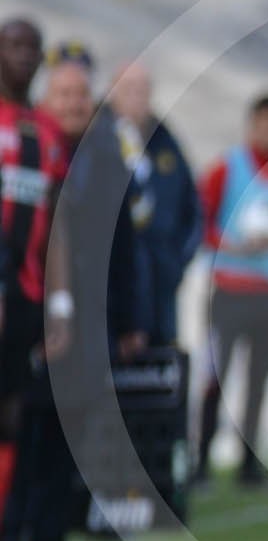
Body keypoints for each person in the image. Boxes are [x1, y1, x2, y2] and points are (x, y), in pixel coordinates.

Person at [0, 46, 148, 541]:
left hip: (92, 319)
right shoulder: (29, 148)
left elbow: (128, 248)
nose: (72, 103)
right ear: (46, 99)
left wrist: (134, 320)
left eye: (81, 95)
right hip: (38, 310)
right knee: (30, 427)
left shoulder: (109, 157)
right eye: (62, 94)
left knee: (73, 433)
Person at [197, 93, 268, 488]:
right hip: (230, 290)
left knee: (259, 382)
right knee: (215, 377)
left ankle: (249, 463)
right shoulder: (228, 169)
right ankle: (201, 462)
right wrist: (228, 246)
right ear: (251, 125)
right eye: (262, 123)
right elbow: (198, 217)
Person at [0, 19, 69, 541]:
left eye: (31, 48)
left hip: (23, 302)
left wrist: (58, 306)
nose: (25, 56)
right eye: (14, 45)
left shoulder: (45, 134)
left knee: (12, 419)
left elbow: (57, 232)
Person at [106, 62, 203, 346]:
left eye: (143, 89)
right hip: (114, 290)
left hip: (161, 285)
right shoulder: (98, 137)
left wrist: (176, 263)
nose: (138, 97)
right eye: (129, 89)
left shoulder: (166, 141)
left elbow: (192, 209)